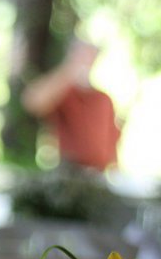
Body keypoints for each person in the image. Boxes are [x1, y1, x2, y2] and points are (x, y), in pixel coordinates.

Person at [22, 40, 120, 172]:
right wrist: (69, 70)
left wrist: (115, 169)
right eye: (81, 55)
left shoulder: (104, 99)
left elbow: (112, 139)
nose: (86, 60)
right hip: (69, 172)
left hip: (99, 173)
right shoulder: (65, 95)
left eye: (90, 55)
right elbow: (33, 102)